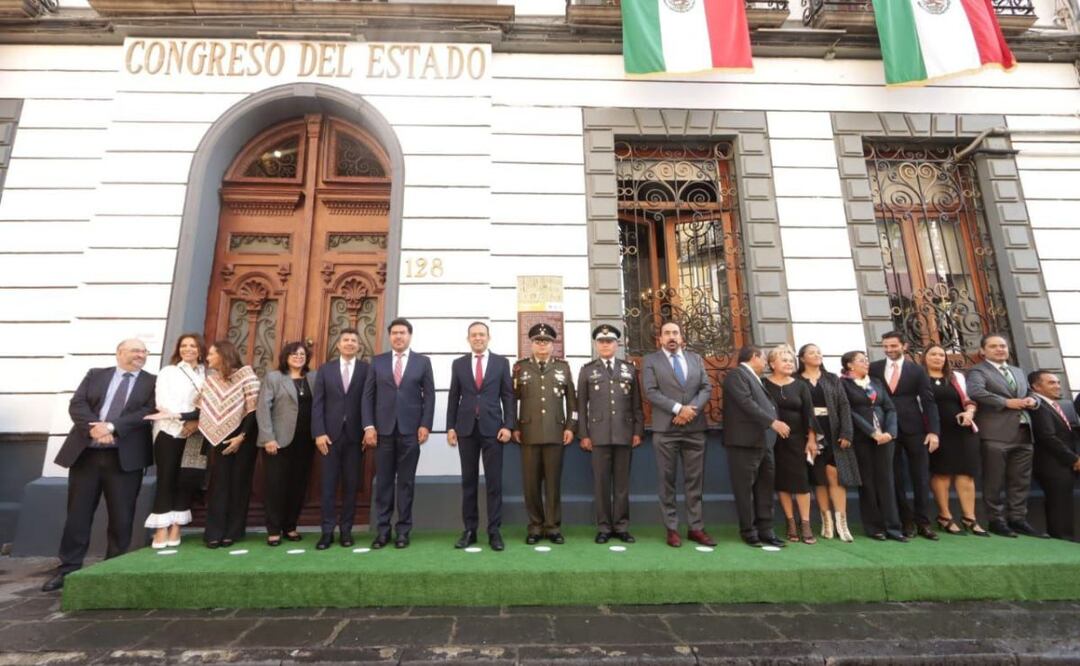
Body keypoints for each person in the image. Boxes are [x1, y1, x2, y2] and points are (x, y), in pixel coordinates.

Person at [42, 339, 156, 592]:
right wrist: (96, 427)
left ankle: (112, 569)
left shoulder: (152, 381)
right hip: (87, 454)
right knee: (78, 515)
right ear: (119, 353)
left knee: (121, 517)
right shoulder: (96, 375)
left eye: (143, 351)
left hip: (124, 458)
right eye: (135, 350)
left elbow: (146, 412)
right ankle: (68, 569)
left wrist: (112, 427)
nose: (140, 355)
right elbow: (77, 404)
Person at [363, 318, 436, 549]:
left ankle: (403, 531)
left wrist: (425, 425)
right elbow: (368, 396)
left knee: (406, 483)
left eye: (402, 333)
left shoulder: (422, 362)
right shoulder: (378, 362)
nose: (398, 337)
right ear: (389, 336)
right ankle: (382, 531)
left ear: (410, 336)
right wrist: (369, 426)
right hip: (383, 432)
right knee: (384, 482)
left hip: (410, 432)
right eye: (394, 333)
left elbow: (430, 396)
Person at [642, 321, 716, 548]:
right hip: (666, 431)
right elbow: (650, 391)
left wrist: (690, 410)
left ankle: (696, 527)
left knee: (695, 481)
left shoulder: (695, 359)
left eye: (675, 333)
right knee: (667, 481)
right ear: (660, 339)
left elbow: (706, 387)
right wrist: (678, 409)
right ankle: (672, 528)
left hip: (694, 429)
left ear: (682, 337)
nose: (671, 337)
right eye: (667, 333)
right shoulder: (651, 361)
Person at [966, 333, 1045, 538]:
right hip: (995, 434)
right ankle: (996, 520)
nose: (1000, 349)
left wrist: (1033, 402)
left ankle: (1017, 519)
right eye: (993, 346)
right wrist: (1006, 402)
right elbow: (976, 392)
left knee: (1021, 480)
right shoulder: (977, 370)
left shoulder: (1017, 371)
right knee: (994, 480)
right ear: (983, 351)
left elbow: (1030, 393)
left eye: (1002, 346)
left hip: (1024, 432)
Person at [446, 321, 515, 552]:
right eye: (474, 335)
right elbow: (453, 396)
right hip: (466, 430)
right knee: (469, 482)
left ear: (489, 337)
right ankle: (470, 530)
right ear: (468, 339)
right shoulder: (459, 364)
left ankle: (494, 531)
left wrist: (508, 426)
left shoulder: (501, 363)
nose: (478, 338)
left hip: (493, 430)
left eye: (481, 334)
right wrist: (450, 427)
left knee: (494, 483)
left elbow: (508, 396)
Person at [576, 324, 645, 544]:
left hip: (624, 434)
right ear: (596, 345)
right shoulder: (587, 370)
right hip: (598, 436)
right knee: (601, 484)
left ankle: (622, 526)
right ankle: (604, 527)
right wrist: (584, 434)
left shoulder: (629, 369)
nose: (605, 345)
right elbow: (580, 406)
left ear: (617, 344)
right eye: (601, 342)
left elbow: (637, 404)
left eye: (610, 341)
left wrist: (637, 431)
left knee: (622, 484)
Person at [869, 332, 941, 541]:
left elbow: (929, 402)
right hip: (886, 431)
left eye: (893, 346)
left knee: (920, 477)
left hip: (914, 429)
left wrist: (934, 432)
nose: (890, 350)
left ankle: (924, 522)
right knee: (895, 477)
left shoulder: (917, 370)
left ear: (904, 346)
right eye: (886, 346)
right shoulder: (874, 368)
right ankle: (905, 521)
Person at [512, 323, 577, 545]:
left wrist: (570, 427)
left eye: (546, 341)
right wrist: (514, 427)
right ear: (532, 344)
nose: (542, 345)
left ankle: (552, 527)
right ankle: (535, 526)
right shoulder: (520, 368)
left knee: (552, 484)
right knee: (530, 485)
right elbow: (512, 401)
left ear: (552, 345)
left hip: (555, 433)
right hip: (528, 434)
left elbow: (573, 403)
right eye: (538, 341)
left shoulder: (564, 368)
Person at [144, 333, 205, 549]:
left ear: (200, 349)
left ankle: (176, 527)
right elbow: (162, 402)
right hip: (169, 430)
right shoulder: (169, 371)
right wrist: (183, 422)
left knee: (187, 478)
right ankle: (161, 528)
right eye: (184, 345)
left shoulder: (207, 373)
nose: (188, 349)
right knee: (166, 477)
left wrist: (195, 424)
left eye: (193, 346)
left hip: (196, 433)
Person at [722, 345, 786, 548]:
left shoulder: (755, 378)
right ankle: (749, 531)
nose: (766, 362)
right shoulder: (736, 375)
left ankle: (766, 530)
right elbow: (746, 403)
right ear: (754, 357)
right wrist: (772, 422)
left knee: (765, 488)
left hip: (764, 442)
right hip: (744, 442)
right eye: (764, 358)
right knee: (745, 489)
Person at [311, 328, 369, 550]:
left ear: (358, 345)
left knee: (351, 486)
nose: (350, 343)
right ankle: (326, 532)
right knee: (327, 486)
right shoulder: (325, 370)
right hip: (329, 437)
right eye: (345, 340)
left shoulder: (366, 369)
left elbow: (369, 401)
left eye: (354, 340)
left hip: (356, 437)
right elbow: (318, 403)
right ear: (338, 345)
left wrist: (368, 429)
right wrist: (318, 432)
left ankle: (346, 531)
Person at [200, 340, 260, 548]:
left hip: (243, 438)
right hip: (217, 438)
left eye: (212, 354)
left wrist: (241, 436)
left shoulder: (246, 375)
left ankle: (233, 531)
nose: (208, 358)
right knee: (219, 485)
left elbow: (253, 409)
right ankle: (213, 532)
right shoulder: (211, 380)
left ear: (223, 355)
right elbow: (203, 408)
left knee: (238, 484)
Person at [797, 343, 859, 543]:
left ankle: (842, 522)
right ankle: (827, 521)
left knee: (835, 474)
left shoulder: (832, 379)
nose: (817, 355)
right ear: (802, 358)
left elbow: (843, 404)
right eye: (812, 353)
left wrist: (847, 431)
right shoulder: (797, 381)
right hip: (809, 433)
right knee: (819, 477)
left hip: (833, 430)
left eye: (819, 352)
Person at [256, 341, 317, 546]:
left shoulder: (313, 378)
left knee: (298, 486)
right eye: (294, 353)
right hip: (278, 442)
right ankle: (274, 530)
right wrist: (268, 438)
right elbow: (263, 408)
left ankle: (290, 526)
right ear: (286, 356)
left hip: (305, 442)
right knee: (275, 486)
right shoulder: (274, 378)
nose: (299, 357)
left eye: (302, 354)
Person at [922, 345, 986, 537]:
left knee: (966, 474)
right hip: (936, 431)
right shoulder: (919, 378)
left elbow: (969, 399)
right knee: (942, 473)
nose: (938, 357)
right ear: (924, 357)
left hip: (961, 429)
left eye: (941, 354)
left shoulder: (956, 377)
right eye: (933, 354)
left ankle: (969, 518)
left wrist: (969, 412)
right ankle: (945, 516)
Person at [841, 350, 904, 541]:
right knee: (868, 482)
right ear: (850, 365)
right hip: (863, 438)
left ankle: (893, 527)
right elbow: (849, 411)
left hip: (886, 438)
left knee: (887, 481)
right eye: (861, 360)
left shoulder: (875, 382)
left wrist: (890, 432)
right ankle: (874, 527)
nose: (866, 363)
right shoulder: (843, 384)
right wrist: (872, 432)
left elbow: (890, 408)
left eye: (866, 360)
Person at [763, 345, 819, 545]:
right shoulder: (763, 384)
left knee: (802, 484)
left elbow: (809, 414)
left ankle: (805, 523)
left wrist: (811, 440)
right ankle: (790, 523)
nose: (789, 363)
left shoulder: (800, 385)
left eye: (790, 360)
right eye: (784, 360)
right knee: (782, 483)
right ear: (772, 364)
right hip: (773, 442)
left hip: (797, 441)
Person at [1029, 370, 1079, 541]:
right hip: (1052, 464)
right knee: (1058, 504)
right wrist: (1074, 459)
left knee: (1065, 502)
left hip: (1063, 463)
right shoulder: (1038, 405)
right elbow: (1047, 436)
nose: (1057, 385)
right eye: (1051, 382)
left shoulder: (1054, 405)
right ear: (1036, 386)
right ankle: (1062, 539)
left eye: (1057, 382)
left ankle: (1067, 537)